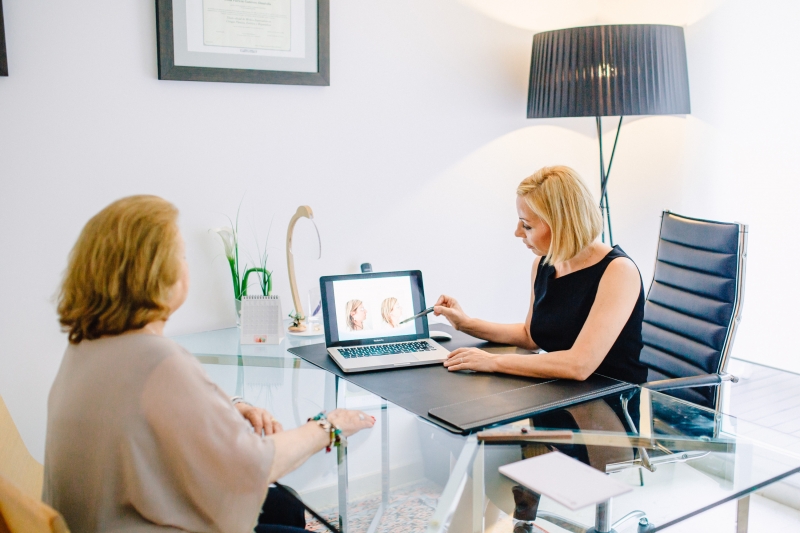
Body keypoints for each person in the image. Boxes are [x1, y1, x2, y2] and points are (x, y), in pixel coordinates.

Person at [43, 195, 375, 533]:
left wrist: (231, 406)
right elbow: (255, 463)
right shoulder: (157, 360)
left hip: (100, 518)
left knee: (284, 505)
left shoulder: (86, 348)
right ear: (157, 273)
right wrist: (328, 425)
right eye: (182, 255)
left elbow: (147, 416)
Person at [434, 166, 648, 384]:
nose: (517, 233)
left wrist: (493, 362)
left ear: (561, 225)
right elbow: (530, 336)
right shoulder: (544, 264)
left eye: (526, 225)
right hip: (560, 391)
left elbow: (579, 365)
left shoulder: (619, 272)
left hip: (612, 400)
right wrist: (466, 324)